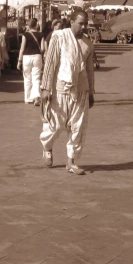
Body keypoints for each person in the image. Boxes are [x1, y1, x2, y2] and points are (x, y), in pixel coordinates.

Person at [40, 10, 95, 175]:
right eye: (80, 23)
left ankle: (71, 161)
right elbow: (50, 62)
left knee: (78, 127)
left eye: (86, 23)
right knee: (56, 125)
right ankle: (47, 147)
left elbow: (90, 69)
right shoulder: (60, 37)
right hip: (60, 89)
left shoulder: (88, 43)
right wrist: (45, 88)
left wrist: (91, 92)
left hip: (81, 90)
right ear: (71, 22)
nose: (84, 27)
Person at [17, 18, 44, 105]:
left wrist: (19, 61)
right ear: (37, 25)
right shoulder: (41, 35)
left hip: (26, 57)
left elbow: (22, 48)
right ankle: (36, 98)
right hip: (37, 56)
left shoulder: (25, 35)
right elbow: (43, 48)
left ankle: (28, 98)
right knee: (36, 78)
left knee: (27, 78)